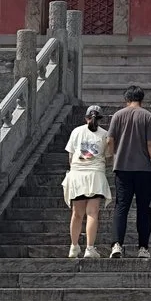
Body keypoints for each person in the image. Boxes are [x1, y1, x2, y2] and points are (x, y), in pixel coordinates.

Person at [103, 86, 151, 260]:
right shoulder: (147, 117)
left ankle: (117, 245)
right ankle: (143, 247)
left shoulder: (118, 115)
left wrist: (113, 157)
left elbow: (109, 140)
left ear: (126, 99)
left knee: (121, 207)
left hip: (122, 168)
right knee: (144, 209)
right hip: (143, 169)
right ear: (142, 99)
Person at [61, 104, 111, 260]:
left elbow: (70, 156)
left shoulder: (76, 131)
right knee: (92, 213)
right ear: (100, 119)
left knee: (76, 214)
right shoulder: (105, 134)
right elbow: (108, 156)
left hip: (77, 174)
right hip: (95, 175)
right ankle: (90, 248)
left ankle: (74, 246)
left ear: (86, 117)